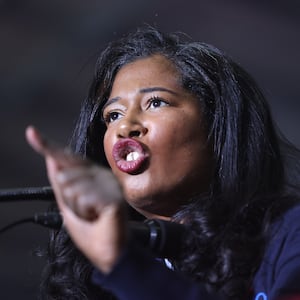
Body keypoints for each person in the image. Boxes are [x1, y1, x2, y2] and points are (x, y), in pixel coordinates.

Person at [25, 26, 300, 300]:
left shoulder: (289, 235)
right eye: (113, 115)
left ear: (218, 125)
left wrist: (125, 268)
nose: (125, 127)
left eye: (156, 103)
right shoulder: (93, 282)